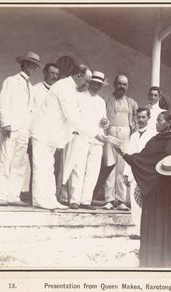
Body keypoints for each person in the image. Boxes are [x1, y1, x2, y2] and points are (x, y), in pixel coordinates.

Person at [113, 111, 171, 268]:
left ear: (169, 123)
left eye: (160, 120)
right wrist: (122, 153)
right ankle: (153, 261)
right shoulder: (153, 142)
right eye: (156, 120)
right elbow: (141, 160)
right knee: (155, 225)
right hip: (156, 192)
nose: (156, 123)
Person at [30, 64, 95, 210]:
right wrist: (93, 133)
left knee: (48, 167)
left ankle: (49, 199)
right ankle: (40, 200)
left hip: (50, 136)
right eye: (87, 80)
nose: (88, 84)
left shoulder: (70, 88)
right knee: (42, 167)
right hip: (42, 133)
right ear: (78, 75)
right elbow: (72, 115)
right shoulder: (64, 87)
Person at [0, 51, 41, 206]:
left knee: (19, 163)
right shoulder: (12, 81)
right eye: (31, 65)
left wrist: (30, 129)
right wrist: (6, 123)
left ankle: (13, 195)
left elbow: (31, 109)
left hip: (24, 129)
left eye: (35, 67)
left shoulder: (30, 86)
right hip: (12, 127)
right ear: (25, 65)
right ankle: (1, 195)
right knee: (5, 160)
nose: (33, 69)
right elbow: (3, 103)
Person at [60, 71, 109, 209]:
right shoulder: (79, 97)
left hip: (97, 140)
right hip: (81, 137)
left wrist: (106, 123)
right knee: (78, 168)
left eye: (99, 85)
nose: (96, 87)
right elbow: (76, 120)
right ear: (89, 83)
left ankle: (86, 200)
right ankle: (74, 199)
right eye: (94, 83)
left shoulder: (101, 102)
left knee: (93, 171)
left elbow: (103, 121)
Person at [21, 63, 60, 201]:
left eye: (56, 74)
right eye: (51, 73)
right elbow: (30, 112)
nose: (54, 76)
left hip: (52, 136)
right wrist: (30, 134)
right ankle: (34, 198)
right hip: (37, 133)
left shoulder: (58, 91)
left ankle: (47, 197)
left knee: (49, 168)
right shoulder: (36, 89)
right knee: (36, 166)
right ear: (44, 73)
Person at [103, 75, 138, 210]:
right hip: (111, 134)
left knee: (122, 168)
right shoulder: (107, 100)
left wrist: (133, 130)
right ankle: (109, 199)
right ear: (114, 84)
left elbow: (136, 119)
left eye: (124, 84)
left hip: (126, 136)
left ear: (127, 87)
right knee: (110, 166)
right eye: (119, 84)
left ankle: (121, 200)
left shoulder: (132, 102)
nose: (122, 87)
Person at [123, 107, 157, 237]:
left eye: (144, 117)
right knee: (135, 202)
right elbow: (129, 154)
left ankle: (148, 231)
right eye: (139, 117)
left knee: (147, 203)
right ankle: (139, 230)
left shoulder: (153, 135)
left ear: (148, 118)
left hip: (147, 174)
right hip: (134, 173)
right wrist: (127, 173)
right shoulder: (133, 136)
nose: (141, 120)